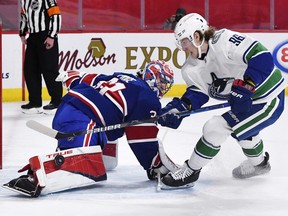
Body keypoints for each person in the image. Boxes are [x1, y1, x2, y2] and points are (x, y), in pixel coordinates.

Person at [3, 60, 178, 197]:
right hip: (83, 117)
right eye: (162, 82)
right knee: (84, 166)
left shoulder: (124, 77)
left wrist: (72, 77)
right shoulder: (148, 98)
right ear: (151, 77)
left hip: (73, 106)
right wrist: (154, 164)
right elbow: (141, 139)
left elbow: (92, 78)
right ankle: (34, 177)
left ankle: (77, 149)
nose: (163, 88)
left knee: (109, 127)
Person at [158, 13, 287, 189]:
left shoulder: (224, 40)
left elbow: (262, 56)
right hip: (244, 102)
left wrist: (246, 86)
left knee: (216, 127)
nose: (183, 48)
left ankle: (190, 171)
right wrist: (180, 108)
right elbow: (198, 94)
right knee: (245, 133)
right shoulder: (190, 68)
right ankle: (260, 165)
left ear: (196, 36)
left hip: (268, 98)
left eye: (184, 42)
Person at [20, 0, 63, 114]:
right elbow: (24, 15)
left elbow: (56, 16)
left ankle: (57, 101)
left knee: (49, 69)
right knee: (30, 70)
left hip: (46, 35)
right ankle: (35, 101)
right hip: (33, 36)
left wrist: (52, 36)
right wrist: (22, 32)